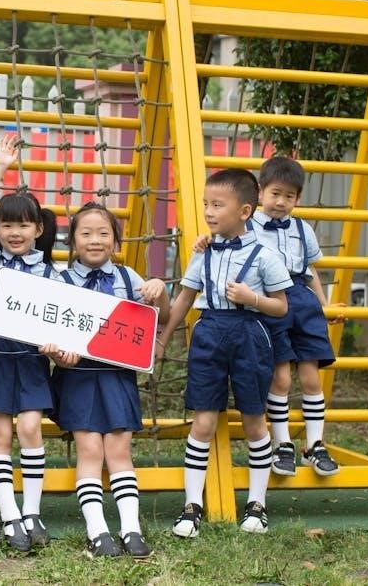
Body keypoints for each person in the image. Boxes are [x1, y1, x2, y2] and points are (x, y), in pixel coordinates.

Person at [158, 169, 292, 539]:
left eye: (218, 205)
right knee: (202, 422)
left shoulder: (265, 255)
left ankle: (257, 505)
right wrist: (163, 339)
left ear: (245, 211)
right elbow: (184, 298)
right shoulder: (203, 253)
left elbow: (281, 306)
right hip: (209, 335)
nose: (208, 211)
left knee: (253, 420)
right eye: (206, 204)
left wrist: (253, 299)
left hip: (250, 335)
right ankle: (192, 506)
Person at [191, 157, 344, 478]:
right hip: (267, 300)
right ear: (260, 193)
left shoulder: (302, 229)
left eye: (289, 196)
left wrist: (323, 304)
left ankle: (315, 444)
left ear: (297, 199)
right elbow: (224, 241)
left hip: (301, 299)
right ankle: (283, 443)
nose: (281, 202)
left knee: (311, 375)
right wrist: (205, 239)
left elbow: (310, 269)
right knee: (280, 377)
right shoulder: (247, 225)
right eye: (275, 193)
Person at [41, 201, 170, 559]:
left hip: (117, 377)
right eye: (86, 233)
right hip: (78, 378)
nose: (95, 240)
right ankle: (97, 532)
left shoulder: (130, 278)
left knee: (119, 451)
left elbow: (162, 317)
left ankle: (131, 529)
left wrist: (160, 290)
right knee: (90, 451)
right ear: (73, 240)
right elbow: (49, 332)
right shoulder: (60, 282)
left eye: (103, 233)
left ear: (116, 240)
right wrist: (56, 353)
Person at [0, 134, 58, 551]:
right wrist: (1, 167)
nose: (14, 232)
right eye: (7, 225)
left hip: (31, 361)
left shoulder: (52, 273)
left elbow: (62, 323)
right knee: (1, 436)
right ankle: (10, 517)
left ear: (38, 229)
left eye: (23, 224)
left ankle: (32, 512)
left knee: (30, 428)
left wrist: (55, 345)